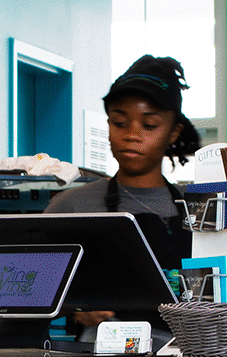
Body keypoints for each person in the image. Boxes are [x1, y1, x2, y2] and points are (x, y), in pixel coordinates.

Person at [44, 55, 204, 331]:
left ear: (173, 132)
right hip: (101, 354)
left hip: (188, 352)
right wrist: (75, 308)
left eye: (149, 125)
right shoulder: (71, 206)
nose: (132, 135)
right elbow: (32, 290)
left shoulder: (200, 207)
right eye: (119, 123)